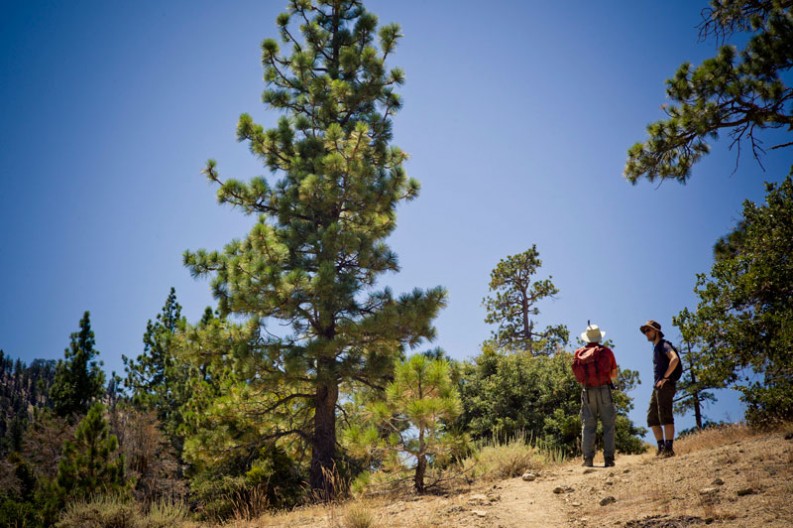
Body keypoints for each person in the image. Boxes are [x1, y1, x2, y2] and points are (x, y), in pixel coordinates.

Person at [573, 323, 618, 468]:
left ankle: (588, 459)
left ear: (586, 338)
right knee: (608, 426)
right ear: (599, 337)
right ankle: (609, 459)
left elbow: (577, 376)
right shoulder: (606, 352)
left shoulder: (579, 353)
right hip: (604, 390)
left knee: (588, 426)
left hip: (587, 391)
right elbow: (614, 373)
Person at [640, 320, 680, 458]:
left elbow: (674, 359)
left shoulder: (664, 344)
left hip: (665, 385)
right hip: (657, 387)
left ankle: (669, 450)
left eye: (648, 330)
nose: (646, 334)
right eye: (645, 331)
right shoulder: (656, 347)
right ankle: (661, 448)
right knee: (652, 418)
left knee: (666, 416)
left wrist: (665, 378)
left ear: (656, 331)